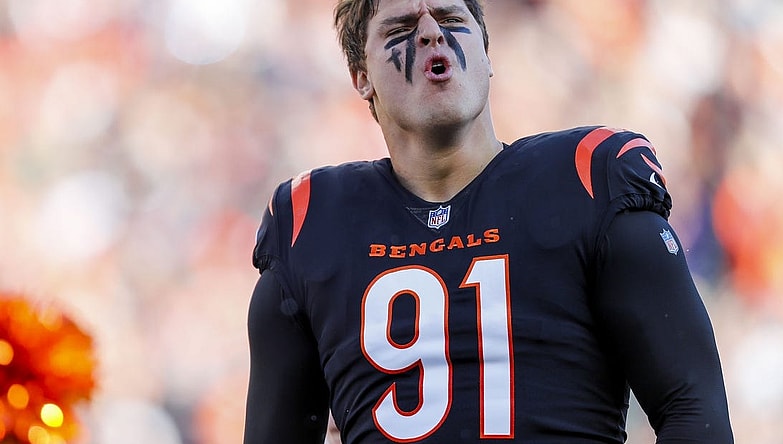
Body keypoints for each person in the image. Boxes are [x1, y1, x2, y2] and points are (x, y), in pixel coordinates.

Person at [243, 0, 735, 442]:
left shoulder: (588, 178)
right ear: (361, 77)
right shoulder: (310, 221)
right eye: (401, 28)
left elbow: (693, 410)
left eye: (451, 19)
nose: (432, 32)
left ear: (486, 52)